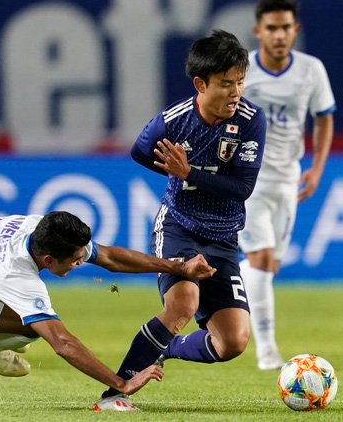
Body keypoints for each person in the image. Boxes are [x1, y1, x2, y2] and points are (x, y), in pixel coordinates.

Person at [92, 29, 266, 411]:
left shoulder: (252, 120)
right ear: (200, 84)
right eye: (226, 84)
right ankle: (114, 395)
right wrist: (176, 176)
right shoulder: (173, 122)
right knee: (183, 304)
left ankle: (163, 346)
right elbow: (140, 151)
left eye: (240, 81)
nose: (236, 92)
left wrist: (188, 174)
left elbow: (242, 188)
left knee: (233, 342)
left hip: (222, 238)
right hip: (179, 227)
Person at [0, 211, 216, 402]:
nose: (82, 261)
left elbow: (108, 257)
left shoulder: (42, 230)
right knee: (32, 328)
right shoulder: (15, 276)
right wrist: (121, 381)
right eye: (77, 260)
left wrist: (179, 268)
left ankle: (1, 335)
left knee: (30, 323)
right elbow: (62, 342)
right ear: (48, 261)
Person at [238, 0, 336, 370]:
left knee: (268, 268)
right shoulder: (242, 71)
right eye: (271, 28)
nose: (279, 35)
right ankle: (267, 352)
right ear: (258, 31)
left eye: (285, 28)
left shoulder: (311, 70)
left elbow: (324, 117)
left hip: (288, 176)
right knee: (261, 260)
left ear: (295, 30)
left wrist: (317, 166)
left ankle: (219, 282)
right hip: (250, 179)